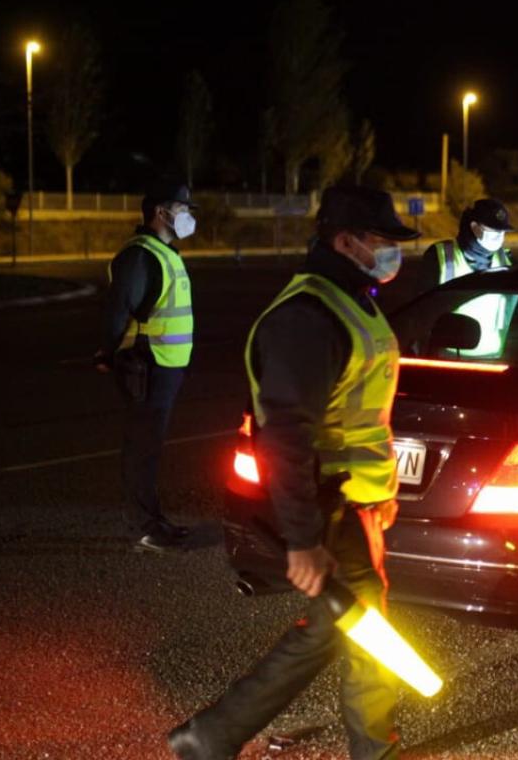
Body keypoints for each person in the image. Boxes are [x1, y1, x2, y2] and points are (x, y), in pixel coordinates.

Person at [167, 185, 418, 760]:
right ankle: (212, 735)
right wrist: (303, 540)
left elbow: (360, 414)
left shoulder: (352, 299)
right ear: (345, 241)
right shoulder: (307, 317)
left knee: (362, 624)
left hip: (356, 502)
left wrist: (379, 491)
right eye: (381, 241)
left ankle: (373, 743)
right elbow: (285, 436)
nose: (391, 252)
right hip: (327, 507)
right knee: (341, 626)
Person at [94, 182, 197, 553]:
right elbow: (118, 309)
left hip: (166, 366)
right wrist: (107, 352)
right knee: (142, 447)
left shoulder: (163, 252)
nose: (188, 215)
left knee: (150, 447)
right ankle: (143, 527)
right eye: (182, 208)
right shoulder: (140, 255)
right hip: (146, 364)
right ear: (160, 212)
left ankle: (155, 520)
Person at [415, 198, 515, 295]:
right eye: (493, 229)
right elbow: (423, 306)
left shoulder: (506, 259)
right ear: (474, 227)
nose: (499, 234)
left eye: (502, 231)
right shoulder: (438, 256)